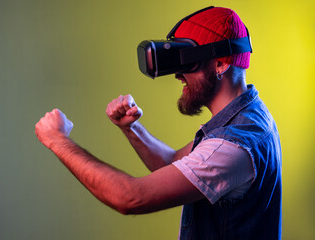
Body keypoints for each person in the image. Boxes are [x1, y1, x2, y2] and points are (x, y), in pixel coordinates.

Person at [35, 6, 282, 240]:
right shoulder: (249, 115)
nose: (177, 75)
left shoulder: (233, 144)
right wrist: (131, 128)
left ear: (221, 62)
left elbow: (130, 197)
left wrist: (57, 139)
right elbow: (172, 163)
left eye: (187, 62)